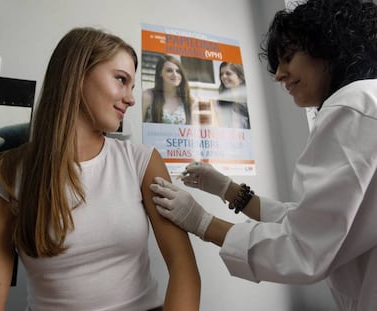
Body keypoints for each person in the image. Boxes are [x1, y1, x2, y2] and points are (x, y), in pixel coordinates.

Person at [149, 0, 377, 310]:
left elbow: (303, 248)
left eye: (287, 58)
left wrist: (201, 222)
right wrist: (228, 189)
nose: (278, 75)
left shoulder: (351, 106)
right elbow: (313, 221)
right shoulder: (367, 102)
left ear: (328, 45)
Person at [0, 27, 200, 311]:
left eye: (132, 86)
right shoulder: (3, 178)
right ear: (76, 75)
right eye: (121, 80)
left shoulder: (142, 162)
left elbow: (183, 267)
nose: (131, 98)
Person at [142, 54, 194, 125]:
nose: (175, 75)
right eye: (169, 70)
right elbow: (137, 127)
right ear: (160, 73)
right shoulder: (148, 96)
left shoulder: (188, 99)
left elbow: (192, 131)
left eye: (178, 71)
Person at [216, 62, 250, 129]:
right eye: (221, 74)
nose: (223, 77)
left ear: (240, 78)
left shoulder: (249, 102)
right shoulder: (220, 102)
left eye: (228, 73)